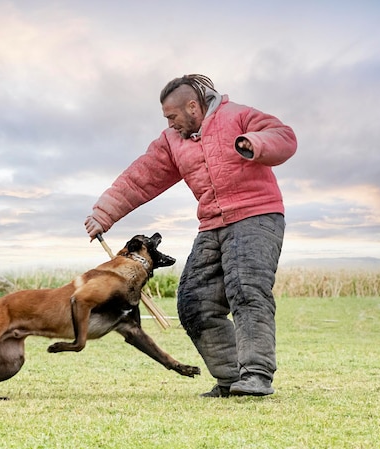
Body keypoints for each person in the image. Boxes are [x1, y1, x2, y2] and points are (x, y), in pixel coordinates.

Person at [84, 74, 297, 397]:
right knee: (194, 302)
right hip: (212, 224)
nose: (170, 124)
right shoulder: (172, 141)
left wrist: (255, 143)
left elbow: (283, 135)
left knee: (246, 290)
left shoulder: (236, 115)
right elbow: (140, 178)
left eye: (172, 116)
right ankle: (230, 377)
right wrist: (103, 214)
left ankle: (256, 375)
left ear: (193, 107)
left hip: (258, 215)